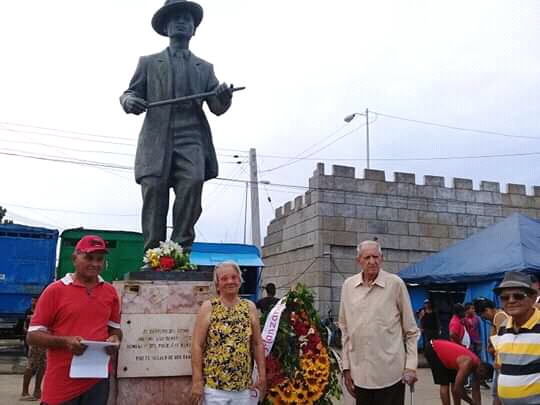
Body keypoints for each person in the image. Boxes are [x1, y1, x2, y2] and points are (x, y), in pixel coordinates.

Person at [120, 0, 234, 253]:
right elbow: (129, 93)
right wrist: (130, 101)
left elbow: (216, 106)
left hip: (191, 137)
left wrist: (224, 95)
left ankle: (181, 251)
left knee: (193, 183)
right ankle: (153, 255)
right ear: (166, 27)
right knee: (154, 193)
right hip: (156, 139)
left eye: (187, 19)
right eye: (175, 18)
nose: (182, 22)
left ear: (194, 29)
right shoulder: (148, 63)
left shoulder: (205, 68)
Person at [27, 235, 122, 405]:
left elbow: (115, 329)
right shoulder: (55, 290)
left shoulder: (110, 292)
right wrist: (65, 342)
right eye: (89, 257)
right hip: (61, 383)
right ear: (74, 258)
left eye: (100, 259)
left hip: (97, 381)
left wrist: (115, 339)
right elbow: (33, 336)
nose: (95, 264)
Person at [338, 240, 418, 405]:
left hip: (391, 375)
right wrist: (346, 368)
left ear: (381, 259)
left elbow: (411, 331)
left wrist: (410, 367)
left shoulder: (395, 284)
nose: (372, 261)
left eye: (376, 257)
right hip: (360, 375)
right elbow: (345, 330)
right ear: (358, 260)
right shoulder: (348, 286)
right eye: (367, 257)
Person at [191, 261, 265, 405]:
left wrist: (262, 375)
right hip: (215, 388)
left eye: (234, 277)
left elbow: (257, 344)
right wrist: (197, 380)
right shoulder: (209, 307)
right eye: (224, 278)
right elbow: (197, 345)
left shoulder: (249, 307)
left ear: (240, 280)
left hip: (242, 388)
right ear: (217, 284)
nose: (230, 281)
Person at [491, 271, 540, 405]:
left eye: (518, 296)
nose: (511, 301)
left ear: (532, 298)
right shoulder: (502, 328)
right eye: (505, 298)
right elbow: (501, 370)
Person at [424, 339, 486, 405]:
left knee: (454, 382)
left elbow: (476, 389)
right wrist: (471, 402)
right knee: (444, 384)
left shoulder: (478, 365)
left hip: (449, 356)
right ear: (481, 371)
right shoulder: (467, 363)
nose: (481, 379)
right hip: (434, 349)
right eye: (482, 377)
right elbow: (458, 389)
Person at [478, 299, 507, 405]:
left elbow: (502, 342)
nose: (484, 319)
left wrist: (492, 348)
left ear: (487, 310)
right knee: (497, 393)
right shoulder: (496, 319)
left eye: (483, 316)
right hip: (499, 361)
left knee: (498, 394)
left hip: (501, 362)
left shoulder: (500, 318)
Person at [20, 296, 46, 401]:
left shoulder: (43, 310)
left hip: (44, 342)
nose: (33, 302)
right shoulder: (30, 312)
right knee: (31, 365)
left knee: (42, 366)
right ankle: (25, 391)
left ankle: (37, 390)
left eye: (36, 300)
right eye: (33, 300)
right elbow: (25, 327)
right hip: (35, 341)